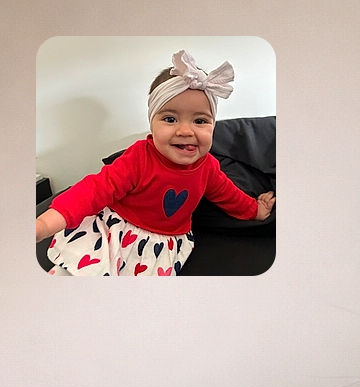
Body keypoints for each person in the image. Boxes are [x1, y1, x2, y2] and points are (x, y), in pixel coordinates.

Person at [35, 49, 275, 276]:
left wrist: (256, 210)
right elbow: (95, 189)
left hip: (162, 245)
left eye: (200, 121)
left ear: (214, 125)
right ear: (152, 123)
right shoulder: (138, 158)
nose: (185, 130)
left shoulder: (208, 167)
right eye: (170, 119)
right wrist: (45, 223)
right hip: (117, 230)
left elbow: (229, 196)